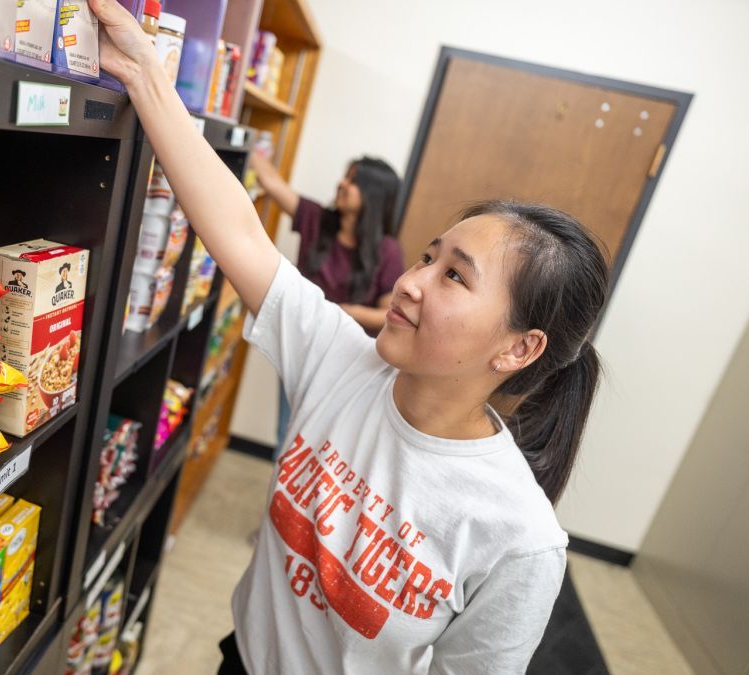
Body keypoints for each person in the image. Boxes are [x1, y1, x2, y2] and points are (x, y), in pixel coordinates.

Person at [89, 1, 609, 673]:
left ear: (519, 348)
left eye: (455, 276)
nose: (413, 283)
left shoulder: (519, 539)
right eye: (427, 257)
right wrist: (146, 70)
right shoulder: (340, 358)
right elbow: (240, 231)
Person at [250, 151, 404, 452]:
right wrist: (248, 139)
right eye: (345, 176)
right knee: (287, 435)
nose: (342, 184)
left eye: (353, 181)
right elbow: (268, 181)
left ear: (374, 196)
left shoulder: (388, 250)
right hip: (301, 347)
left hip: (351, 362)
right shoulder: (316, 219)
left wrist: (344, 312)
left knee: (329, 445)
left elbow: (387, 313)